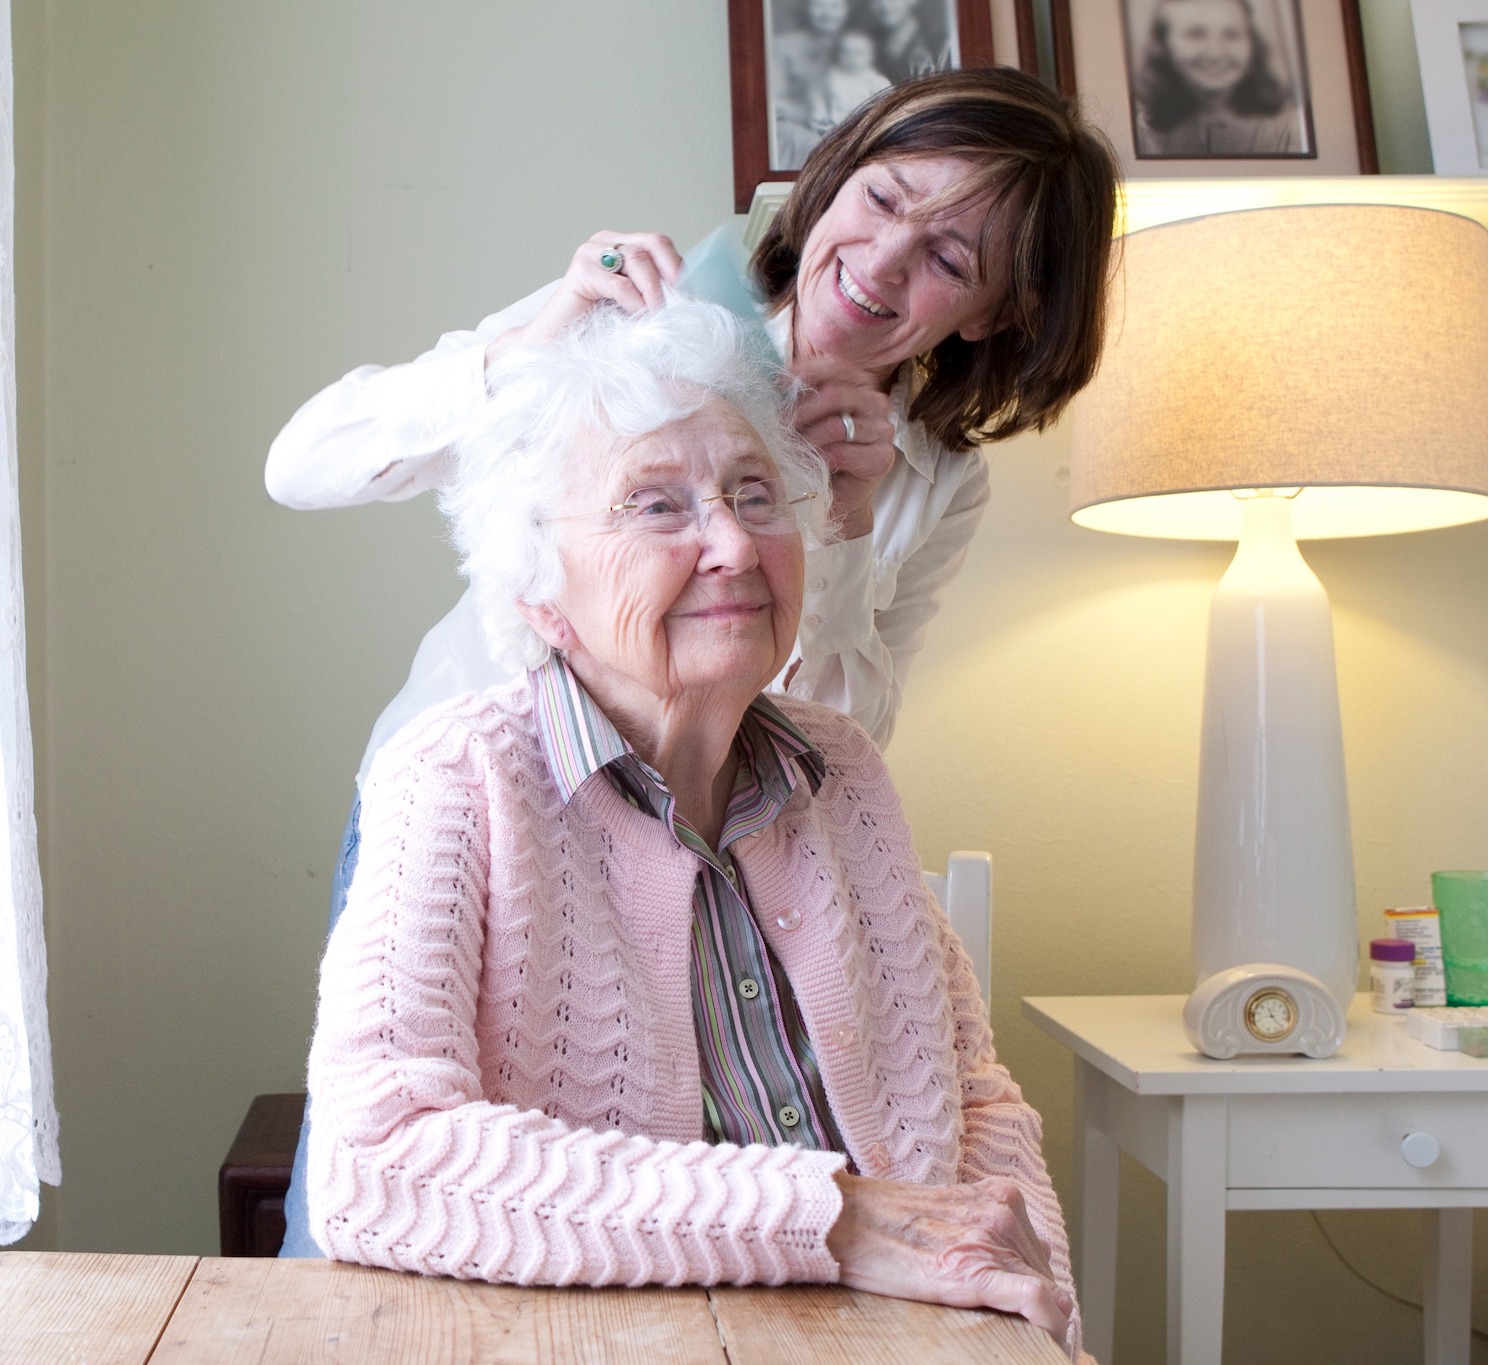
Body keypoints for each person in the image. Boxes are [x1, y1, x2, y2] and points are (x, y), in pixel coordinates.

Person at [271, 62, 1116, 1265]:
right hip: (501, 824)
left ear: (991, 315)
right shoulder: (634, 328)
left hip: (720, 837)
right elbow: (302, 464)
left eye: (949, 260)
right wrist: (531, 343)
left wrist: (846, 530)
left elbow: (825, 745)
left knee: (664, 1172)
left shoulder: (932, 476)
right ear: (830, 185)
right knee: (385, 1215)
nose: (881, 264)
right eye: (883, 200)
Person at [304, 296, 1084, 1359]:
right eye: (657, 507)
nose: (731, 542)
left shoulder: (843, 772)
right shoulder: (458, 777)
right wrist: (837, 1217)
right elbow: (376, 1164)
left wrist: (1046, 1330)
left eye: (754, 494)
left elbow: (978, 1102)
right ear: (540, 586)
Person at [1131, 0, 1303, 157]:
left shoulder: (1292, 129)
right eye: (1196, 34)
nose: (1215, 53)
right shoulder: (1141, 132)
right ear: (1163, 45)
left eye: (1232, 35)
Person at [771, 0, 853, 170]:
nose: (827, 14)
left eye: (835, 6)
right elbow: (775, 104)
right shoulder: (784, 46)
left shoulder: (855, 46)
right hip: (801, 133)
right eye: (819, 6)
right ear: (807, 8)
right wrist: (808, 115)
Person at [806, 29, 891, 137]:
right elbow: (818, 103)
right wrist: (822, 118)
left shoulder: (878, 82)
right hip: (834, 130)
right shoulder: (829, 79)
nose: (852, 58)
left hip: (866, 131)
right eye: (846, 52)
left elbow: (887, 110)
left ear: (871, 56)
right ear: (838, 55)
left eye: (859, 53)